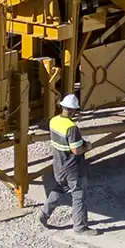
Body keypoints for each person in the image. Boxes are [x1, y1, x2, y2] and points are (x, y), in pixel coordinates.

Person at [39, 93, 100, 235]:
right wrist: (88, 146)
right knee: (79, 195)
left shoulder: (54, 121)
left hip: (58, 165)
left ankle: (44, 214)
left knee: (60, 188)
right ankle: (80, 227)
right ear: (73, 110)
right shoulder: (71, 127)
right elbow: (76, 150)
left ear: (63, 107)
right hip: (72, 168)